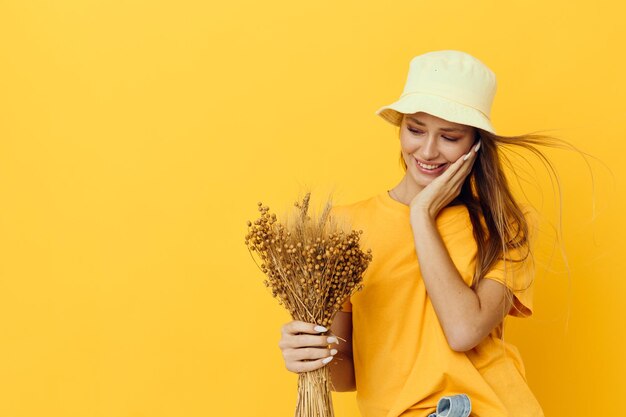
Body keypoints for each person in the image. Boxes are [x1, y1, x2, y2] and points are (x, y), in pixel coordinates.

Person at [278, 50, 552, 417]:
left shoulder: (505, 226)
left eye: (449, 137)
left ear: (475, 145)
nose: (427, 150)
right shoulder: (342, 228)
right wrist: (311, 355)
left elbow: (463, 330)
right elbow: (348, 374)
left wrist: (422, 214)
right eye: (415, 130)